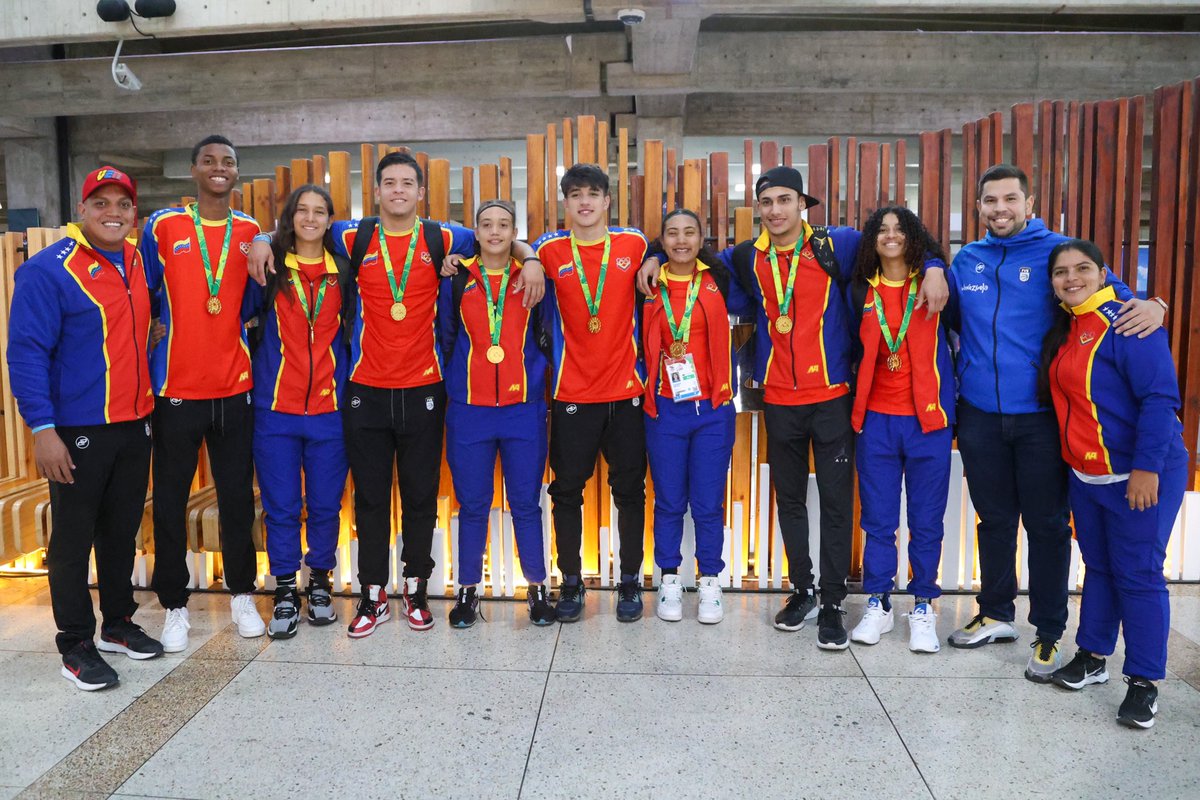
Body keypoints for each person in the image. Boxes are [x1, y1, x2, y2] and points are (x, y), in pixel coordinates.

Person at [640, 166, 947, 649]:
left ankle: (831, 601)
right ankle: (801, 590)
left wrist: (933, 265)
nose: (776, 210)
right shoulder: (744, 257)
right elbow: (688, 258)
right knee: (790, 502)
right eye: (767, 202)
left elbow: (897, 240)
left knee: (836, 503)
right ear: (758, 209)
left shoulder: (836, 244)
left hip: (832, 397)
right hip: (778, 399)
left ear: (801, 203)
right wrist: (657, 253)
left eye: (785, 200)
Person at [248, 151, 543, 638]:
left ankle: (417, 587)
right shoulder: (352, 235)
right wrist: (262, 236)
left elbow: (500, 237)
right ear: (377, 191)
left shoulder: (443, 236)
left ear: (421, 192)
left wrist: (529, 257)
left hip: (425, 387)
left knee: (421, 497)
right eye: (389, 182)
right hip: (364, 389)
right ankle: (372, 593)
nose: (399, 190)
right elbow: (302, 226)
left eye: (408, 182)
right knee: (369, 499)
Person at [945, 164, 1165, 682]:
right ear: (978, 207)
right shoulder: (968, 260)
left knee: (1046, 526)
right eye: (990, 201)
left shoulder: (1059, 253)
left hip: (1043, 418)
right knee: (993, 520)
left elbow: (1114, 297)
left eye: (1010, 199)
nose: (1000, 209)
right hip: (979, 415)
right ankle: (997, 612)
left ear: (1030, 202)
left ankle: (1047, 632)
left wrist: (1155, 303)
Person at [8, 167, 163, 689]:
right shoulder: (48, 269)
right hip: (75, 429)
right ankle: (75, 643)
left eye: (123, 203)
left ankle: (117, 623)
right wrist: (42, 428)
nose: (113, 212)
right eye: (101, 203)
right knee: (73, 541)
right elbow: (26, 353)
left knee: (120, 533)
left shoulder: (140, 261)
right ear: (82, 209)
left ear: (134, 213)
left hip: (134, 423)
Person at [1037, 239, 1187, 729]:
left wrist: (1147, 469)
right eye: (1061, 272)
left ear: (1104, 274)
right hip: (1088, 474)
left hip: (1140, 473)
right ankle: (1093, 657)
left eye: (1082, 269)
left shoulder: (1128, 321)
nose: (1071, 278)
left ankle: (1144, 682)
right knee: (1099, 568)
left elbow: (1161, 398)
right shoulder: (1067, 326)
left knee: (1138, 574)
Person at [141, 135, 265, 651]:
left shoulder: (251, 231)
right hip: (175, 388)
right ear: (192, 170)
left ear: (237, 174)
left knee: (238, 498)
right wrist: (153, 330)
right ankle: (173, 605)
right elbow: (141, 288)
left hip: (233, 387)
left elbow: (257, 299)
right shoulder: (164, 226)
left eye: (229, 162)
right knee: (169, 500)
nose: (220, 168)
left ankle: (241, 593)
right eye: (210, 161)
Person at [533, 163, 650, 623]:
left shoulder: (634, 244)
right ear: (566, 203)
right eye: (575, 194)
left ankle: (630, 583)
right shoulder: (548, 250)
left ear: (607, 202)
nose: (584, 202)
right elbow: (520, 247)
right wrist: (525, 259)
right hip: (571, 394)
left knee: (631, 492)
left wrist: (658, 259)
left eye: (593, 194)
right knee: (566, 492)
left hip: (626, 395)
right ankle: (572, 583)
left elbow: (658, 249)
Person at [437, 199, 556, 627]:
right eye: (486, 224)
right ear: (476, 230)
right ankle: (469, 591)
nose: (494, 232)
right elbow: (446, 336)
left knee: (526, 503)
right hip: (469, 410)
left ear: (514, 232)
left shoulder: (531, 276)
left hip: (523, 408)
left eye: (503, 225)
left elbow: (546, 334)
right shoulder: (456, 279)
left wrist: (531, 258)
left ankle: (538, 590)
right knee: (473, 504)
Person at [846, 207, 954, 654]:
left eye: (900, 229)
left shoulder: (935, 285)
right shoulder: (859, 291)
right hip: (876, 422)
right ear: (872, 239)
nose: (891, 236)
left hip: (928, 422)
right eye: (882, 230)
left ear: (914, 237)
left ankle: (924, 605)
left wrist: (934, 265)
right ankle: (878, 602)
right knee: (878, 522)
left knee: (927, 522)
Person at [642, 209, 752, 624]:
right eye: (671, 234)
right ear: (662, 240)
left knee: (707, 504)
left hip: (712, 410)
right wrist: (651, 256)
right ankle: (669, 579)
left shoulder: (720, 280)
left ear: (702, 238)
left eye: (690, 232)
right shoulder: (647, 284)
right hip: (664, 409)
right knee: (669, 501)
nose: (681, 241)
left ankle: (710, 581)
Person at [249, 185, 349, 639]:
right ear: (290, 217)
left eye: (320, 211)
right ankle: (286, 588)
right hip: (276, 410)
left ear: (330, 219)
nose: (310, 218)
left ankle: (322, 583)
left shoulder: (343, 271)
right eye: (302, 211)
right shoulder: (269, 267)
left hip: (330, 410)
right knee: (282, 506)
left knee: (327, 504)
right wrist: (259, 240)